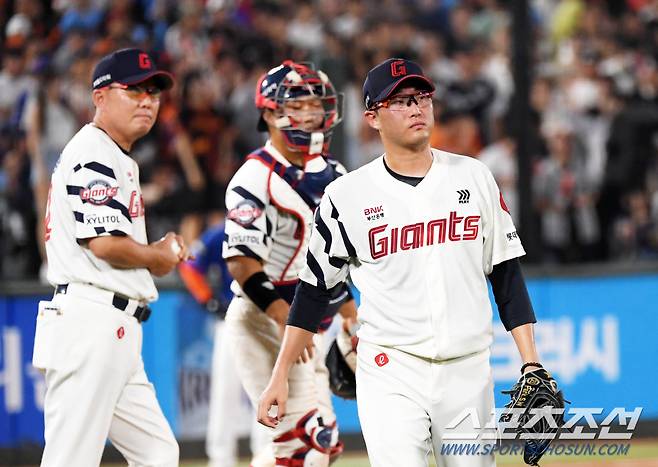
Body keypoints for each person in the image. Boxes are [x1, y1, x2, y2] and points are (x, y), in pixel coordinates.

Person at [257, 58, 559, 467]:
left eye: (421, 98)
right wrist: (280, 375)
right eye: (399, 101)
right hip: (390, 370)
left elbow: (506, 276)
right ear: (372, 117)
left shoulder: (474, 177)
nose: (416, 108)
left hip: (468, 369)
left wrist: (531, 362)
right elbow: (313, 291)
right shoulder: (346, 195)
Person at [32, 48, 187, 467]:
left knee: (158, 454)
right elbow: (104, 243)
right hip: (91, 321)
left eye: (153, 92)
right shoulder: (94, 151)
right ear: (99, 97)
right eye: (134, 90)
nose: (147, 100)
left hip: (111, 326)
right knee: (71, 459)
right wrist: (156, 256)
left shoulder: (113, 154)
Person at [222, 60, 358, 467]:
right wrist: (287, 320)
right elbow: (242, 264)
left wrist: (350, 313)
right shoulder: (254, 176)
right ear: (268, 112)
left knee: (323, 447)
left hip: (308, 321)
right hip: (266, 318)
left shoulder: (335, 174)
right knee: (306, 444)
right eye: (298, 104)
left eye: (316, 104)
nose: (311, 114)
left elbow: (329, 260)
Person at [178, 221, 271, 467]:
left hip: (267, 318)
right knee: (225, 391)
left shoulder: (274, 226)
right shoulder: (223, 232)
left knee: (265, 390)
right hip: (232, 318)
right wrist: (208, 300)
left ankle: (264, 456)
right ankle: (220, 460)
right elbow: (189, 265)